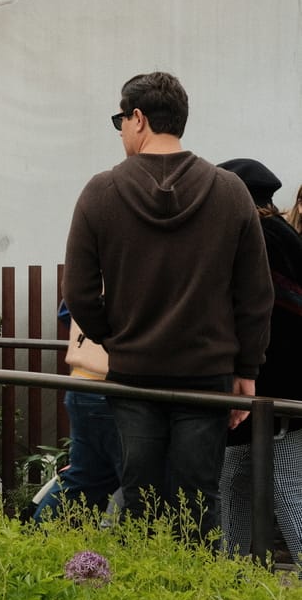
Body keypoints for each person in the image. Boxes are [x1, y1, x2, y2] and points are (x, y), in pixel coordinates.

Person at [63, 72, 273, 541]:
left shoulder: (100, 191)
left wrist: (117, 338)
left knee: (140, 497)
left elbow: (77, 292)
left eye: (121, 119)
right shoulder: (230, 191)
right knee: (200, 499)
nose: (120, 130)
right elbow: (256, 293)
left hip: (134, 373)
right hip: (207, 374)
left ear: (139, 118)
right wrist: (247, 365)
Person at [215, 158, 302, 568]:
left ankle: (232, 577)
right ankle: (232, 581)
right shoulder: (282, 236)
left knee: (284, 485)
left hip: (269, 390)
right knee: (235, 481)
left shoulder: (258, 241)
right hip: (265, 390)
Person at [32, 302, 122, 523]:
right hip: (117, 383)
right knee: (143, 486)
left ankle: (33, 543)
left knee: (84, 478)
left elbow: (67, 308)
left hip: (84, 380)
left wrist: (94, 337)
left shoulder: (93, 269)